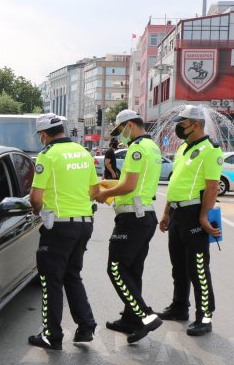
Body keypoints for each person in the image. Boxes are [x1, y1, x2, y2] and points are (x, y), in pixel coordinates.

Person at [28, 113, 100, 350]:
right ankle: (86, 326)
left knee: (51, 280)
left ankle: (52, 335)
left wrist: (40, 212)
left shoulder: (47, 156)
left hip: (59, 226)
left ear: (43, 134)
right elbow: (94, 190)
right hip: (84, 223)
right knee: (72, 275)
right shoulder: (83, 152)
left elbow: (35, 198)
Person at [94, 110, 163, 343]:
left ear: (130, 125)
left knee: (115, 268)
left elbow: (129, 186)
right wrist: (113, 184)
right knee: (132, 271)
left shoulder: (136, 148)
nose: (120, 136)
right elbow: (134, 183)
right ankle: (130, 319)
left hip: (132, 218)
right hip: (145, 216)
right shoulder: (153, 147)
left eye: (121, 130)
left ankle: (145, 316)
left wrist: (105, 193)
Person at [158, 105, 223, 336]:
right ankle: (179, 307)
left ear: (195, 124)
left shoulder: (211, 150)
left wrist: (204, 215)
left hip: (194, 214)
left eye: (182, 122)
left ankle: (204, 317)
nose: (178, 127)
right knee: (179, 266)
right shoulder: (184, 148)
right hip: (176, 213)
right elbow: (176, 182)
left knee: (198, 268)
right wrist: (166, 212)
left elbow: (213, 186)